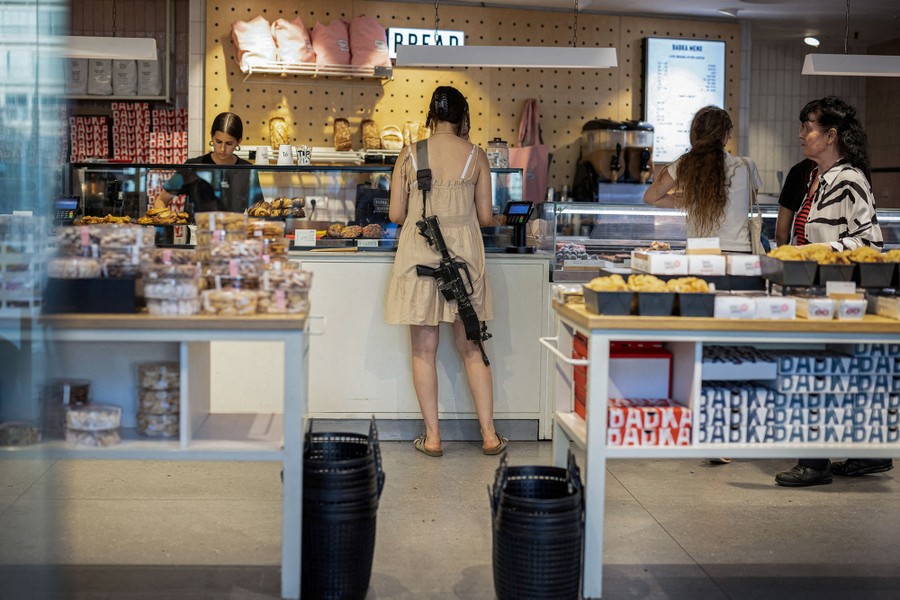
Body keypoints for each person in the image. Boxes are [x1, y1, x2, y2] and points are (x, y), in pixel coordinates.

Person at [383, 86, 506, 458]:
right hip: (464, 263)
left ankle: (433, 437)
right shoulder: (476, 156)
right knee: (472, 347)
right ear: (463, 116)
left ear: (431, 117)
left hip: (419, 256)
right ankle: (489, 435)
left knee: (424, 349)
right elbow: (485, 217)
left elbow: (395, 215)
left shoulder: (410, 154)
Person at [774, 96, 890, 487]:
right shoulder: (816, 177)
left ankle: (815, 462)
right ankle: (868, 454)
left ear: (831, 135)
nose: (801, 134)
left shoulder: (849, 180)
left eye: (808, 126)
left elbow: (870, 243)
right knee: (839, 375)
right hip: (820, 291)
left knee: (816, 374)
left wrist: (816, 251)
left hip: (839, 295)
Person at [643, 106, 761, 252]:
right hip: (740, 252)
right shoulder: (747, 166)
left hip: (701, 253)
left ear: (695, 134)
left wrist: (686, 200)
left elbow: (651, 197)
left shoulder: (685, 164)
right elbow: (750, 201)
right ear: (725, 136)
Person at [153, 112, 263, 214]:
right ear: (212, 137)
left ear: (239, 141)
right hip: (198, 233)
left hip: (235, 232)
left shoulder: (247, 169)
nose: (222, 149)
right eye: (218, 142)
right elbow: (162, 200)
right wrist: (163, 226)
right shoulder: (193, 166)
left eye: (229, 143)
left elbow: (258, 209)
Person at [774, 158, 815, 247]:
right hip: (835, 257)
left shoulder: (799, 171)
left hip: (800, 256)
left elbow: (781, 233)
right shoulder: (849, 171)